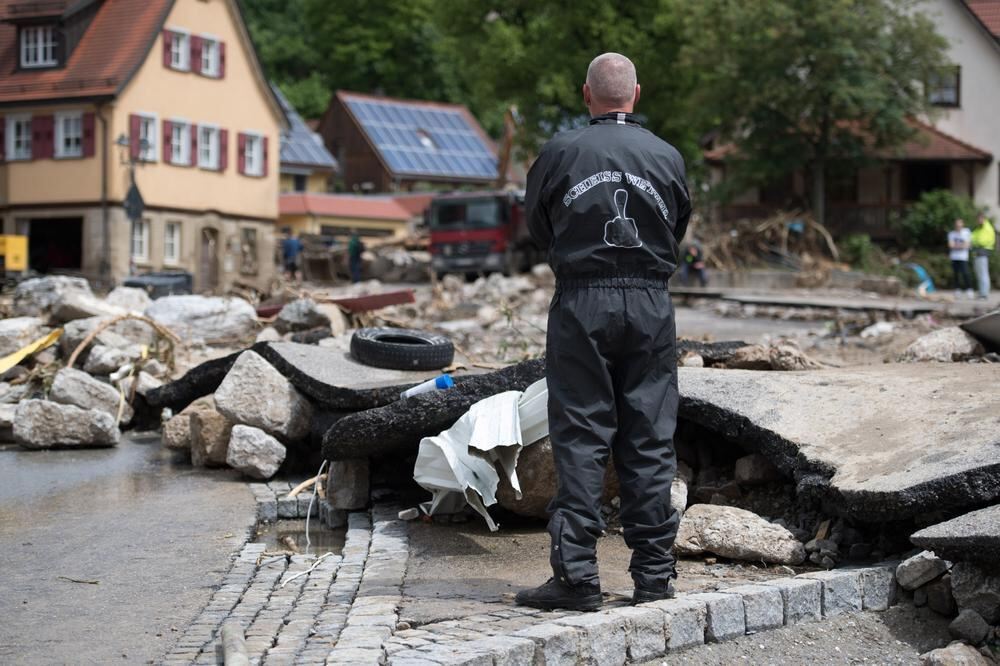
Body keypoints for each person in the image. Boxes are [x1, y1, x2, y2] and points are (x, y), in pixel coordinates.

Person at [517, 52, 691, 611]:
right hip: (649, 302)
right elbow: (678, 225)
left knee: (582, 436)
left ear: (586, 94)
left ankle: (577, 579)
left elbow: (537, 225)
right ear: (635, 94)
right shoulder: (667, 155)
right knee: (649, 436)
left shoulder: (560, 151)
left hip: (582, 301)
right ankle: (654, 578)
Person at [970, 212, 996, 300]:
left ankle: (984, 294)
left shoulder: (987, 228)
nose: (978, 221)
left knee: (983, 274)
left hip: (983, 252)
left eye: (979, 219)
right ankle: (981, 292)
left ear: (983, 218)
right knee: (979, 274)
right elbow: (972, 238)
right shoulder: (979, 228)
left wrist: (975, 243)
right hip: (977, 253)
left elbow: (982, 241)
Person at [947, 218, 974, 299]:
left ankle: (969, 290)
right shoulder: (951, 234)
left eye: (959, 224)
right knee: (956, 274)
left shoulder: (966, 232)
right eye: (956, 224)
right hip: (954, 257)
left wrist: (957, 245)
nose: (958, 226)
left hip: (963, 257)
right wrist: (961, 245)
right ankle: (957, 290)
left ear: (962, 224)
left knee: (966, 274)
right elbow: (950, 245)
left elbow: (968, 244)